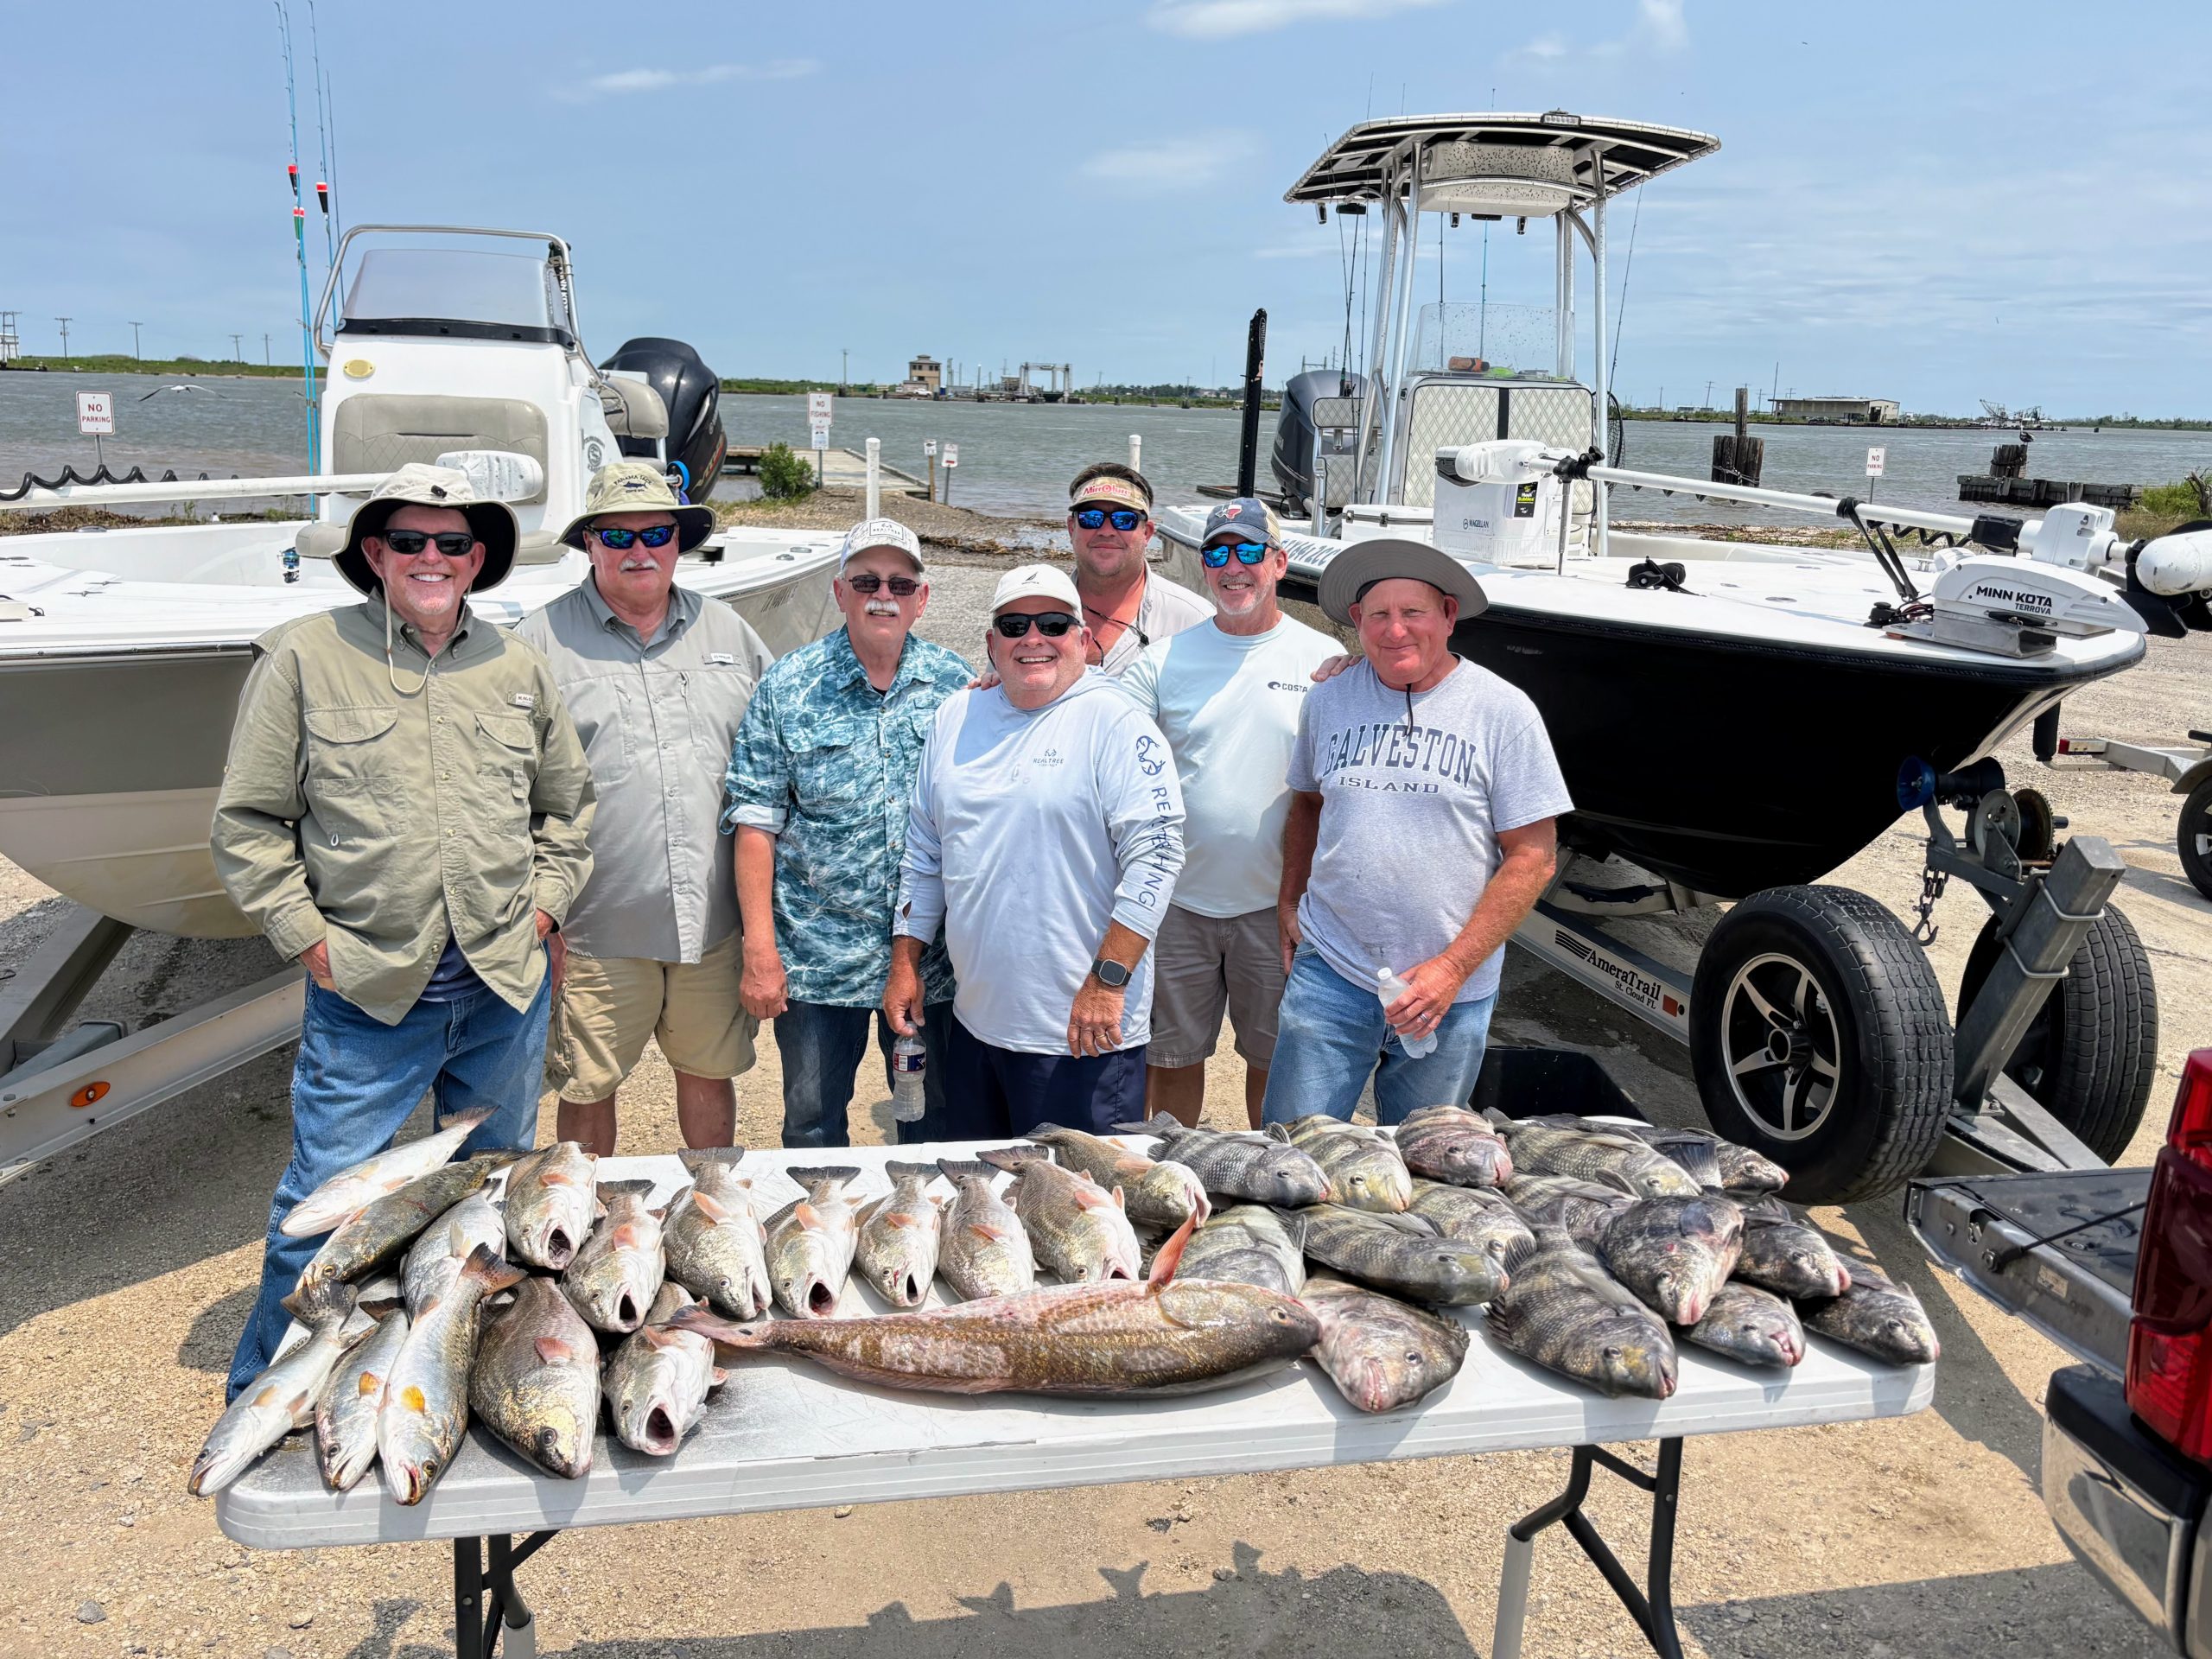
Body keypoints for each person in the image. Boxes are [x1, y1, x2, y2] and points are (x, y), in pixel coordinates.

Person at [212, 462, 594, 1399]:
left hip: (504, 987)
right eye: (411, 540)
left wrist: (546, 905)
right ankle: (268, 1394)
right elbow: (248, 822)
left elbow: (568, 807)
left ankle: (460, 1378)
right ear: (375, 553)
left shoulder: (515, 666)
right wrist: (307, 937)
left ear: (477, 559)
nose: (433, 557)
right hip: (369, 990)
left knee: (492, 1194)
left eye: (453, 542)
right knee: (325, 1205)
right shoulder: (302, 657)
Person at [1262, 537, 1568, 1128]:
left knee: (1427, 1161)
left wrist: (1451, 969)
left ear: (1449, 616)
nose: (1395, 629)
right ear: (1358, 621)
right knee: (1293, 1150)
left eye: (1413, 612)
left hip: (1451, 992)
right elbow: (1307, 804)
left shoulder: (1504, 712)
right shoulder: (1328, 699)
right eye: (1378, 614)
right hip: (1331, 972)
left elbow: (1533, 856)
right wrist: (1288, 900)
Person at [513, 461, 771, 1157]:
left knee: (708, 1070)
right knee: (587, 1086)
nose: (638, 550)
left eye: (656, 533)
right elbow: (508, 794)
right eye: (617, 535)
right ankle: (585, 1212)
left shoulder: (729, 632)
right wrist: (542, 918)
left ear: (678, 542)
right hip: (594, 925)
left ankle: (711, 1201)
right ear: (588, 544)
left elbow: (782, 747)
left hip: (712, 922)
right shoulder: (536, 643)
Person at [886, 563, 1185, 1137]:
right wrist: (905, 964)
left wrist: (1107, 982)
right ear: (991, 643)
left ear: (1083, 639)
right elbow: (924, 852)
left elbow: (1159, 856)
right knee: (984, 1188)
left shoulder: (1118, 722)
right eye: (1014, 625)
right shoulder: (956, 715)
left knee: (1083, 1193)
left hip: (1082, 1033)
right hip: (975, 1027)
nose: (1033, 638)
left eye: (1052, 623)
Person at [723, 518, 972, 1147]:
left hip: (929, 960)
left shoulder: (958, 686)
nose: (883, 596)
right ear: (839, 592)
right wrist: (760, 951)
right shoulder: (789, 685)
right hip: (817, 959)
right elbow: (755, 823)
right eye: (866, 582)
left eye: (899, 583)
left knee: (931, 1122)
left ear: (922, 598)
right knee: (811, 1123)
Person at [1118, 498, 1338, 1128]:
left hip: (1280, 908)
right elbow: (1099, 728)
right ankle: (1177, 1168)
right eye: (1218, 553)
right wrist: (1002, 680)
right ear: (1204, 565)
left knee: (1274, 1060)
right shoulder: (1163, 659)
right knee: (1172, 1057)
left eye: (1249, 551)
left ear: (1279, 563)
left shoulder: (1322, 659)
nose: (1233, 566)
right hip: (1177, 904)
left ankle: (1272, 1173)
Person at [1064, 461, 1211, 675]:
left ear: (1147, 533)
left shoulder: (1195, 621)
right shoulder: (1033, 610)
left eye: (1125, 520)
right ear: (1071, 528)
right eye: (1091, 518)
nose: (1106, 531)